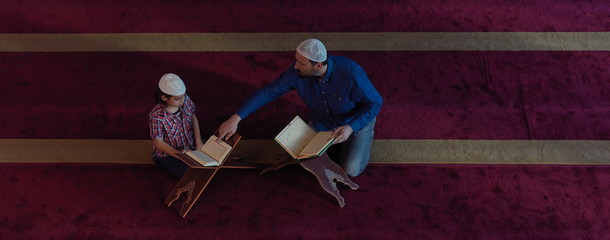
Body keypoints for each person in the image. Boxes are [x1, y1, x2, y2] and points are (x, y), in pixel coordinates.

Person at [217, 38, 382, 177]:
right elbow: (268, 92)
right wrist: (236, 118)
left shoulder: (351, 73)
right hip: (322, 122)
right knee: (301, 158)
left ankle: (362, 138)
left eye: (301, 64)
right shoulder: (296, 73)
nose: (295, 66)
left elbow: (375, 102)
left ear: (318, 66)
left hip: (353, 121)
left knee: (351, 170)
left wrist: (351, 127)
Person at [149, 73, 204, 178]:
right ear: (164, 97)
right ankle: (157, 159)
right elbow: (158, 142)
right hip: (169, 153)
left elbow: (192, 117)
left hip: (188, 147)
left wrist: (199, 142)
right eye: (178, 99)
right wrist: (180, 156)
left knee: (206, 167)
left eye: (184, 96)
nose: (183, 101)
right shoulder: (156, 116)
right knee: (188, 174)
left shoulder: (184, 100)